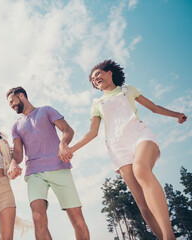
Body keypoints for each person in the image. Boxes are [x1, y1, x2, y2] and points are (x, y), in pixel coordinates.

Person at [68, 59, 187, 240]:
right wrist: (71, 149)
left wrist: (177, 115)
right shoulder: (97, 104)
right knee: (143, 206)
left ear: (110, 73)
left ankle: (169, 236)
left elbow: (154, 108)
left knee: (141, 169)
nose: (95, 78)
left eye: (98, 73)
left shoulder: (127, 90)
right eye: (92, 78)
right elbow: (92, 133)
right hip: (118, 148)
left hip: (139, 135)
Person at [6, 87, 90, 240]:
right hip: (34, 173)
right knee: (38, 217)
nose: (11, 105)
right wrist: (12, 162)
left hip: (59, 167)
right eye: (9, 104)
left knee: (78, 221)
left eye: (12, 101)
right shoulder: (16, 126)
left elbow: (67, 130)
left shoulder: (46, 110)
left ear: (22, 96)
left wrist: (63, 144)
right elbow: (18, 153)